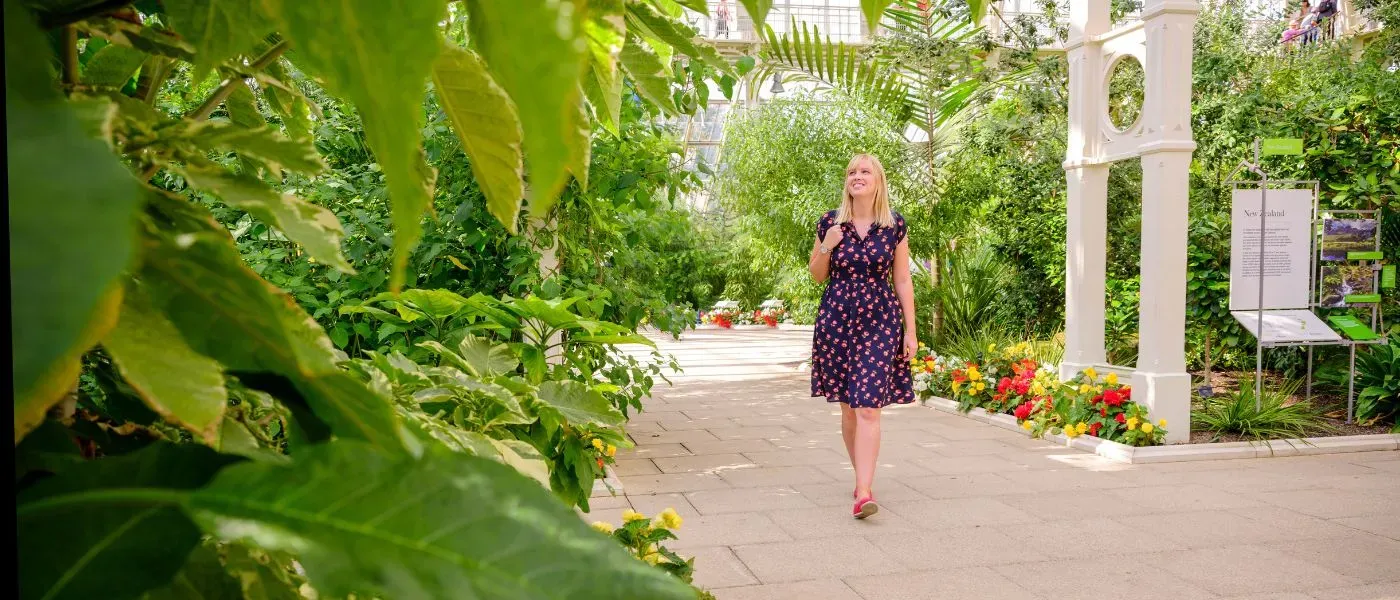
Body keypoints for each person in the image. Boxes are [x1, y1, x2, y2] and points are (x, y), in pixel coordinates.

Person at [807, 154, 917, 520]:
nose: (857, 176)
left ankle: (864, 491)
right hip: (837, 318)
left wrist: (910, 331)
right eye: (852, 172)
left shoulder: (895, 225)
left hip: (881, 319)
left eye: (864, 171)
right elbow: (817, 275)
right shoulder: (830, 223)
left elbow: (902, 279)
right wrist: (828, 244)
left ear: (878, 181)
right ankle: (861, 481)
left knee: (868, 405)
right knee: (849, 409)